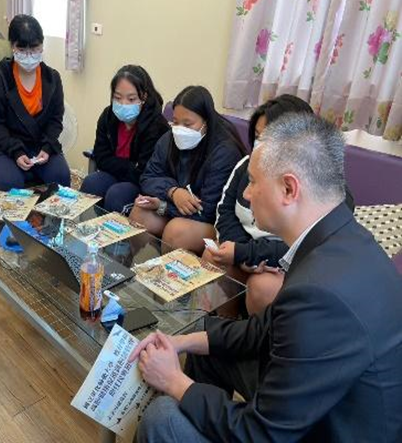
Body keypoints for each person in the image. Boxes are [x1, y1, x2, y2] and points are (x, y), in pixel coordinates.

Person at [130, 113, 402, 442]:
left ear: (289, 188)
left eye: (255, 182)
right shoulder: (342, 238)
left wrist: (174, 382)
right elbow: (264, 329)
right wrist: (182, 341)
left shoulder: (321, 292)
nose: (247, 194)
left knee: (163, 418)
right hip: (319, 404)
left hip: (329, 430)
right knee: (209, 354)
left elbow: (263, 433)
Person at [208, 95, 356, 314]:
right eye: (257, 136)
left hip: (287, 264)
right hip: (246, 252)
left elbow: (308, 245)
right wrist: (238, 251)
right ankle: (220, 329)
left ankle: (257, 343)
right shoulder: (246, 166)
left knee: (263, 287)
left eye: (268, 138)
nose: (248, 193)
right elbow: (225, 211)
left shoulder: (325, 191)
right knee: (212, 259)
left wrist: (246, 252)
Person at [129, 86, 245, 254]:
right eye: (175, 122)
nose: (179, 129)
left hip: (210, 221)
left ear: (206, 123)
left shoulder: (224, 151)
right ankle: (141, 269)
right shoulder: (170, 137)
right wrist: (173, 192)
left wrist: (163, 205)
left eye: (188, 124)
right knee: (139, 212)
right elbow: (147, 177)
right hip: (175, 207)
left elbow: (209, 210)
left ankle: (166, 278)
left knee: (175, 232)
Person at [0, 14, 70, 191]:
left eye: (35, 48)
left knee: (61, 176)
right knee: (11, 184)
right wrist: (16, 151)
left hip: (40, 146)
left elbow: (55, 120)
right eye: (22, 50)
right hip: (4, 147)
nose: (29, 56)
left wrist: (47, 147)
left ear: (42, 45)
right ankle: (11, 220)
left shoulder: (52, 78)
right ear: (12, 46)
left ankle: (50, 219)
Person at [80, 65, 169, 213]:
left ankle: (118, 235)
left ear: (144, 97)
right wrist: (130, 166)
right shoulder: (108, 116)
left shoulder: (157, 125)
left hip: (141, 184)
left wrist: (119, 165)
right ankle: (88, 230)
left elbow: (144, 172)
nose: (123, 104)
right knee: (91, 183)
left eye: (131, 98)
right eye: (117, 97)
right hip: (115, 175)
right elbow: (101, 157)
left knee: (116, 195)